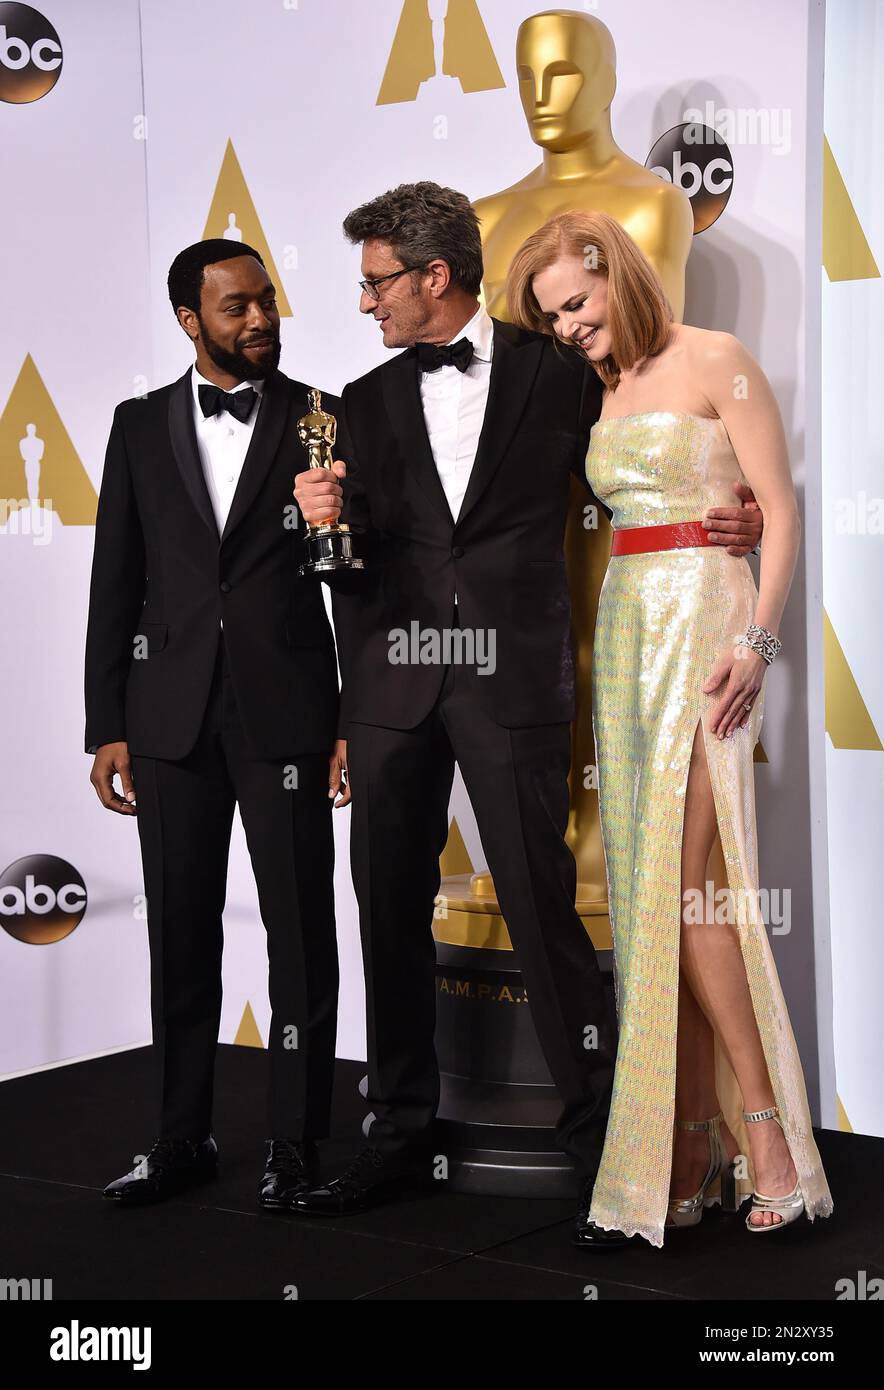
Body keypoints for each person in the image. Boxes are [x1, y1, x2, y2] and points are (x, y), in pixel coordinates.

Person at [291, 182, 762, 1243]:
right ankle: (397, 1134)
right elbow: (349, 554)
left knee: (544, 913)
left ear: (433, 276)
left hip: (512, 678)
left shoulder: (560, 368)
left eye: (377, 283)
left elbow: (651, 444)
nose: (366, 302)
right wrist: (317, 515)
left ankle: (607, 1150)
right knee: (385, 907)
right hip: (392, 681)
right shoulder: (357, 402)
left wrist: (726, 511)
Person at [510, 209, 834, 1246]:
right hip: (623, 634)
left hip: (706, 627)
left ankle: (764, 1135)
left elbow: (776, 510)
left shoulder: (715, 357)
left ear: (618, 276)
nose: (564, 325)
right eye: (548, 314)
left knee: (692, 890)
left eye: (575, 302)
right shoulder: (589, 391)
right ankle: (683, 1152)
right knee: (654, 901)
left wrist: (759, 642)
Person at [84, 240, 340, 1211]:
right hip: (169, 718)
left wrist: (352, 715)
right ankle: (178, 1138)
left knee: (301, 940)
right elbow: (119, 578)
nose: (260, 320)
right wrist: (106, 720)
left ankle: (296, 1145)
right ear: (190, 321)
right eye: (236, 307)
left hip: (286, 717)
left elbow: (354, 581)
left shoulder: (322, 415)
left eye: (265, 301)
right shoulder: (138, 426)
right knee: (180, 939)